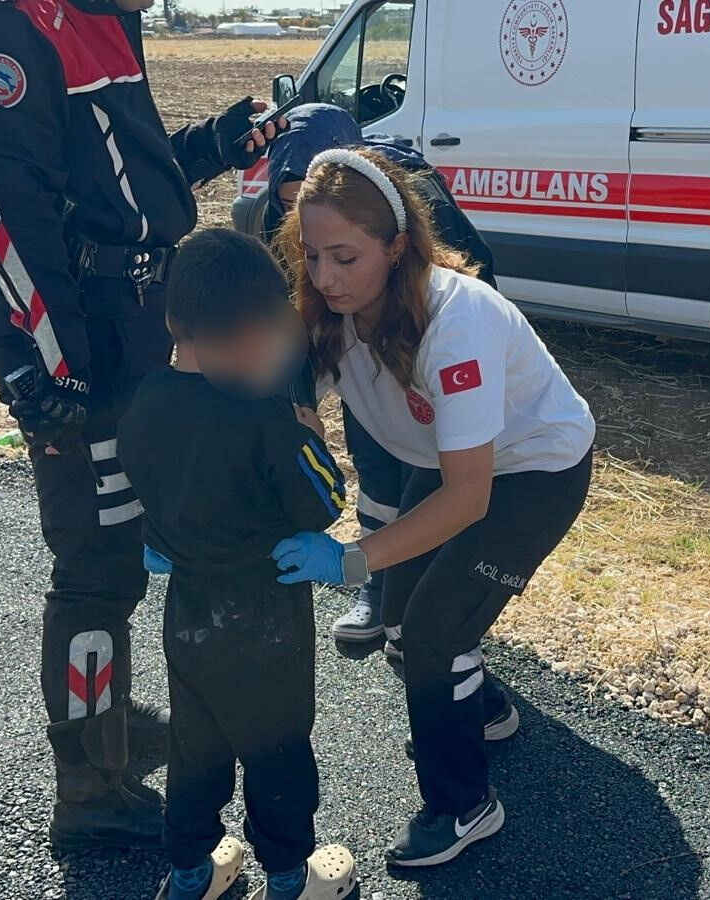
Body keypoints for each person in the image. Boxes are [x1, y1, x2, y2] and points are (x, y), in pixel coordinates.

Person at [0, 0, 284, 850]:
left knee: (126, 550)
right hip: (81, 339)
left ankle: (105, 712)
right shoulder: (9, 29)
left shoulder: (104, 18)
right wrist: (56, 366)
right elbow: (4, 207)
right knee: (95, 569)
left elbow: (119, 175)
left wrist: (211, 145)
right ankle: (90, 788)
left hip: (138, 325)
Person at [269, 147, 595, 867]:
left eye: (345, 258)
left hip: (534, 474)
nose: (324, 277)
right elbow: (286, 394)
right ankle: (485, 712)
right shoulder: (332, 306)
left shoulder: (456, 325)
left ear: (397, 245)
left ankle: (464, 807)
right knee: (396, 622)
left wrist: (353, 558)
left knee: (429, 636)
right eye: (312, 255)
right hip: (450, 468)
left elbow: (470, 497)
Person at [118, 229, 357, 900]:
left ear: (173, 321)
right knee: (276, 747)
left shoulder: (148, 402)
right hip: (266, 616)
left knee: (196, 746)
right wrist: (313, 439)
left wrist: (162, 535)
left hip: (189, 615)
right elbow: (321, 505)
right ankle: (290, 876)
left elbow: (144, 481)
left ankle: (192, 871)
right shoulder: (267, 419)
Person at [259, 103, 497, 644]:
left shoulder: (409, 205)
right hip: (361, 352)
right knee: (375, 460)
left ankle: (422, 602)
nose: (302, 219)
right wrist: (299, 408)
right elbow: (297, 332)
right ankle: (380, 589)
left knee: (434, 479)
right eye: (290, 208)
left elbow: (473, 278)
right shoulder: (297, 230)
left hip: (422, 359)